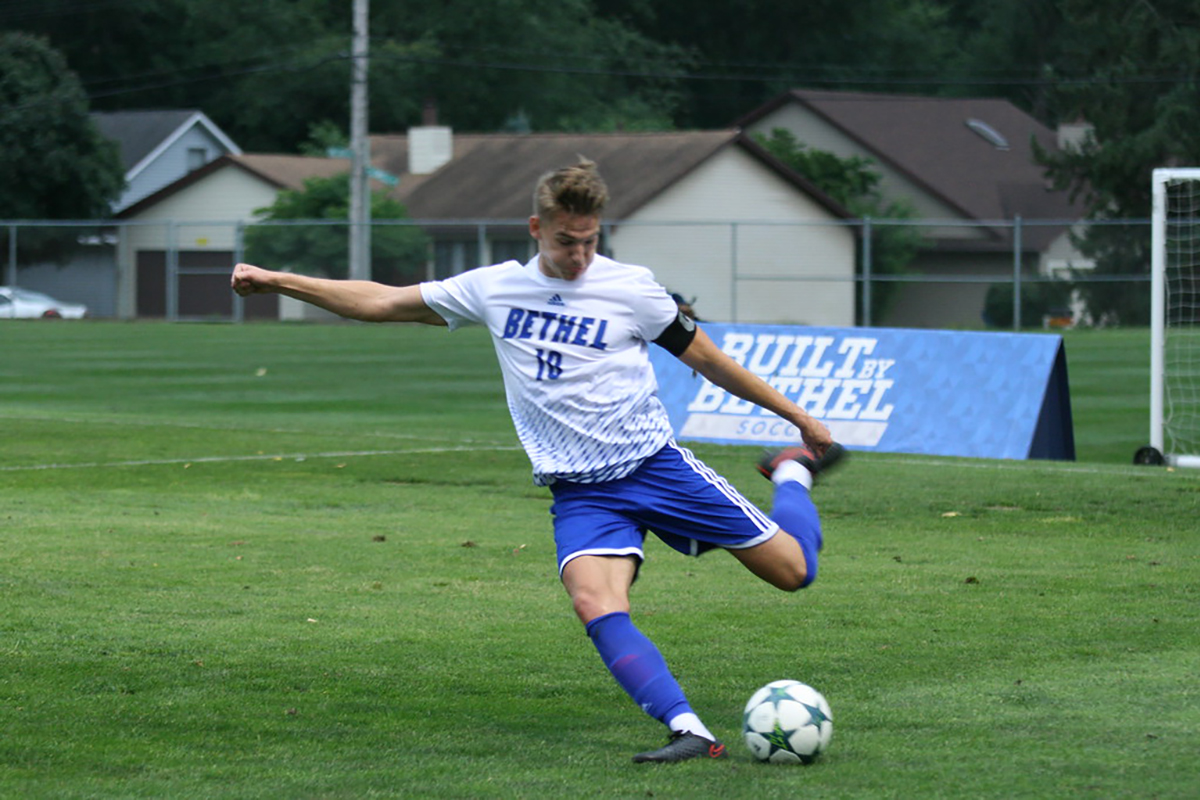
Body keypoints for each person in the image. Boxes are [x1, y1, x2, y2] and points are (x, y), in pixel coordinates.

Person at [231, 159, 844, 764]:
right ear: (535, 228)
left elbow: (709, 360)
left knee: (794, 572)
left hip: (655, 470)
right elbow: (380, 302)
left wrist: (799, 419)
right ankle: (688, 730)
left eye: (589, 241)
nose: (579, 255)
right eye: (565, 241)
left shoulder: (632, 288)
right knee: (593, 602)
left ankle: (791, 472)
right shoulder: (494, 287)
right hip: (581, 493)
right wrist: (279, 280)